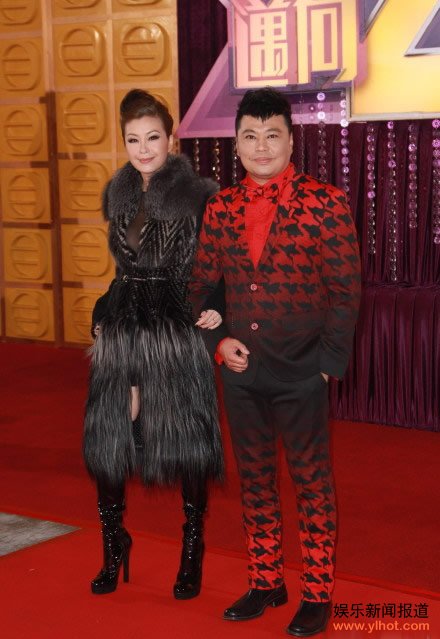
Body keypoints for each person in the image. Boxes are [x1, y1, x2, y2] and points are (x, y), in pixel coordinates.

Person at [188, 87, 361, 637]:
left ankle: (316, 592)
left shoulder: (325, 203)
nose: (261, 147)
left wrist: (327, 364)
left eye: (272, 135)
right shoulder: (221, 207)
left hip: (304, 372)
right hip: (242, 373)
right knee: (256, 481)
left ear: (291, 140)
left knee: (312, 483)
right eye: (250, 136)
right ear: (236, 144)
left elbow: (346, 291)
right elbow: (199, 287)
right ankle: (266, 581)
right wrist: (219, 343)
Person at [83, 89, 224, 600]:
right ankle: (113, 543)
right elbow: (125, 273)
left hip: (174, 327)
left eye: (152, 138)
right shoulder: (119, 194)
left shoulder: (200, 196)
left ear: (171, 138)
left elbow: (218, 265)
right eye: (133, 140)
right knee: (111, 439)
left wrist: (217, 307)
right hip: (124, 326)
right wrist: (102, 312)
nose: (143, 149)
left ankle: (192, 547)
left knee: (185, 444)